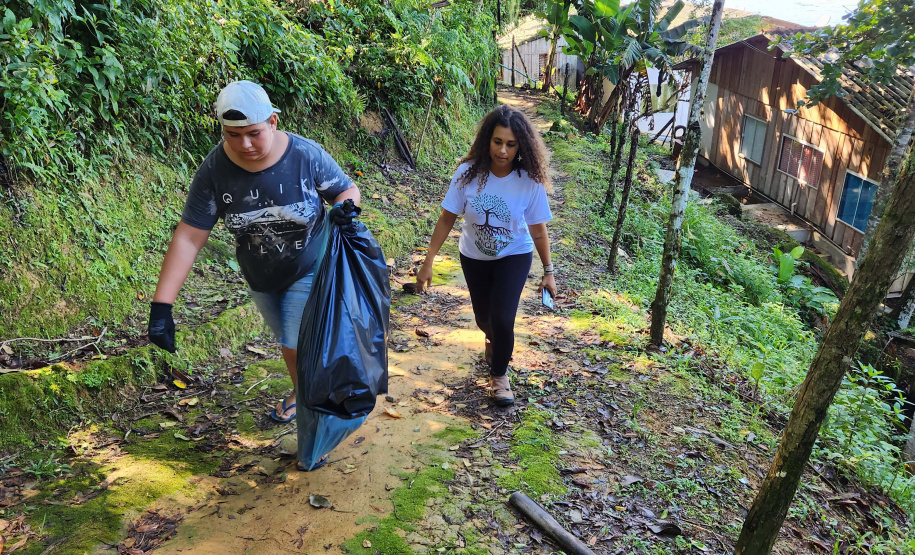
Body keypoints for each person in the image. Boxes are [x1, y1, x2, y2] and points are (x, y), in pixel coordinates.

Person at [147, 81, 360, 462]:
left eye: (253, 134)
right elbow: (190, 237)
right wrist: (162, 306)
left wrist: (346, 210)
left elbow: (345, 190)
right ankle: (303, 391)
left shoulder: (305, 155)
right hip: (261, 277)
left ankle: (317, 429)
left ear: (273, 122)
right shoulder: (214, 169)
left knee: (298, 345)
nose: (244, 144)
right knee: (288, 343)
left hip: (312, 264)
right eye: (233, 135)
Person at [414, 105, 556, 406]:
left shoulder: (528, 180)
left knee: (503, 318)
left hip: (514, 254)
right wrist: (428, 262)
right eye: (497, 142)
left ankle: (500, 376)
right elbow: (446, 219)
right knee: (484, 319)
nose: (503, 150)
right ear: (486, 140)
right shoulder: (467, 174)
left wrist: (548, 271)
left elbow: (539, 230)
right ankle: (492, 337)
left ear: (521, 146)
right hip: (474, 256)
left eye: (511, 144)